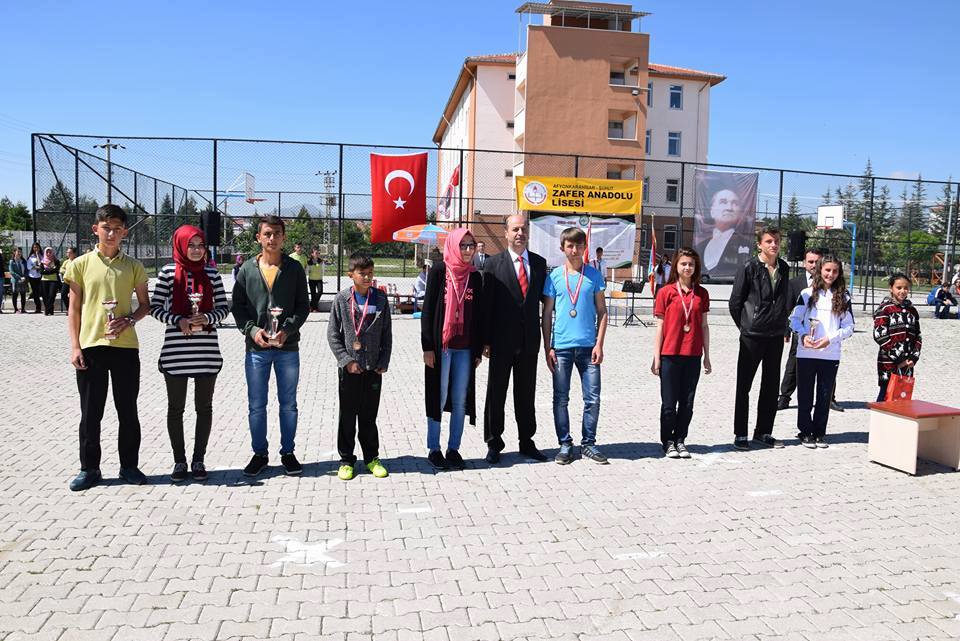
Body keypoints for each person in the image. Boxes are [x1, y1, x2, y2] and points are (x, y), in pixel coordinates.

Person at [63, 204, 150, 491]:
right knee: (91, 413)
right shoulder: (80, 264)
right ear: (95, 229)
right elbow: (74, 309)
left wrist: (130, 320)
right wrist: (75, 347)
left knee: (128, 410)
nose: (111, 234)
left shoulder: (134, 266)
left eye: (117, 229)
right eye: (106, 228)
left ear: (125, 232)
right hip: (91, 346)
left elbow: (145, 305)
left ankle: (129, 466)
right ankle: (89, 468)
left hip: (126, 347)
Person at [231, 215, 309, 478]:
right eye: (267, 234)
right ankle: (259, 454)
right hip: (257, 350)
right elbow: (238, 308)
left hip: (287, 348)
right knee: (256, 405)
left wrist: (287, 330)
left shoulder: (294, 269)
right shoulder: (247, 270)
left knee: (288, 404)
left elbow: (303, 306)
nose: (272, 238)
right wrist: (252, 331)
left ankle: (288, 453)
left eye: (277, 233)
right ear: (258, 238)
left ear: (284, 237)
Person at [150, 225, 230, 482]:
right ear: (180, 246)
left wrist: (207, 317)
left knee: (204, 408)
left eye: (200, 245)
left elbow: (223, 308)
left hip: (206, 352)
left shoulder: (212, 273)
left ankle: (198, 460)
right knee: (176, 409)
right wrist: (178, 321)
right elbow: (154, 308)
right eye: (191, 245)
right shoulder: (168, 272)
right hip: (176, 353)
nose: (196, 250)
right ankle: (179, 461)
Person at [481, 214, 549, 464]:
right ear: (506, 233)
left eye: (524, 229)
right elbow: (486, 306)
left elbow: (547, 303)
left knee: (526, 394)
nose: (520, 233)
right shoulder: (493, 264)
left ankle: (526, 441)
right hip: (500, 341)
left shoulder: (539, 264)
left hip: (529, 341)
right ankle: (494, 443)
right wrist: (485, 340)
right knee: (496, 393)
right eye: (515, 229)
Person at [542, 227, 609, 465]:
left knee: (592, 399)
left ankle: (588, 444)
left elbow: (602, 311)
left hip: (588, 348)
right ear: (562, 248)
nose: (574, 250)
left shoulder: (594, 276)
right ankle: (565, 444)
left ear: (584, 247)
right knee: (561, 399)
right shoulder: (554, 277)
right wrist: (547, 347)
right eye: (570, 245)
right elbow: (547, 314)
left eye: (579, 245)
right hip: (561, 348)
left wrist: (599, 344)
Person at [421, 228, 483, 471]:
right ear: (454, 246)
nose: (467, 250)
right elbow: (427, 311)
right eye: (463, 245)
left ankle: (453, 449)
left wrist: (477, 351)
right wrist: (427, 347)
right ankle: (434, 449)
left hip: (465, 349)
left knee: (459, 400)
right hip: (442, 348)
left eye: (471, 245)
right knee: (439, 396)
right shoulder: (439, 271)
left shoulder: (475, 277)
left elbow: (478, 317)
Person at [327, 253, 392, 480]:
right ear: (350, 275)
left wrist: (383, 361)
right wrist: (347, 361)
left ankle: (372, 458)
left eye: (370, 273)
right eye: (362, 273)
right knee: (347, 416)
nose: (367, 277)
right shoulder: (342, 299)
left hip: (373, 368)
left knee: (369, 416)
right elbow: (333, 335)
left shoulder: (380, 298)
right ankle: (346, 460)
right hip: (350, 369)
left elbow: (387, 334)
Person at [729, 226, 791, 450]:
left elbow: (783, 299)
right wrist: (746, 326)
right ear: (759, 244)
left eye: (776, 241)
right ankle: (741, 433)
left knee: (770, 386)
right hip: (752, 336)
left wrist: (783, 324)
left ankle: (763, 431)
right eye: (768, 241)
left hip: (775, 336)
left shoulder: (783, 267)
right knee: (744, 386)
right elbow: (735, 302)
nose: (773, 245)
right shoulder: (749, 267)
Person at [651, 248, 712, 458]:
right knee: (669, 404)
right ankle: (667, 441)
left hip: (693, 355)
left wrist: (707, 356)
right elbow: (660, 327)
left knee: (687, 403)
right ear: (676, 266)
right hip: (670, 354)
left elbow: (704, 326)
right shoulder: (665, 292)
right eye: (683, 263)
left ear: (696, 268)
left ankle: (680, 440)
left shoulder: (702, 293)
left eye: (691, 264)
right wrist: (656, 357)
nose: (687, 267)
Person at [789, 255, 855, 448]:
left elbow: (849, 327)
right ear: (820, 270)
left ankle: (819, 433)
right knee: (805, 395)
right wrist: (803, 336)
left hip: (830, 354)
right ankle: (805, 432)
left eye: (835, 271)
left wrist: (830, 339)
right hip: (806, 353)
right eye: (827, 270)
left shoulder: (844, 297)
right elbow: (794, 320)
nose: (830, 274)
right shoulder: (806, 293)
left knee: (824, 396)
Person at [778, 248, 824, 410]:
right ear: (804, 263)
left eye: (817, 262)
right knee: (793, 364)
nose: (814, 265)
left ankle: (829, 397)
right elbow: (787, 308)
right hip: (801, 331)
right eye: (810, 261)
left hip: (823, 331)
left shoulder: (829, 282)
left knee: (826, 364)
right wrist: (786, 330)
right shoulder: (795, 283)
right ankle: (784, 397)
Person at [873, 274, 922, 403]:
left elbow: (918, 335)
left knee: (902, 396)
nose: (902, 291)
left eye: (906, 288)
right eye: (899, 287)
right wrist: (899, 358)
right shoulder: (885, 309)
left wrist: (913, 357)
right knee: (886, 393)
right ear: (891, 288)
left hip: (908, 363)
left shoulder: (912, 311)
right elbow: (880, 335)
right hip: (888, 362)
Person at [695, 188, 753, 274]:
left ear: (740, 213)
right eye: (723, 202)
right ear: (712, 211)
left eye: (735, 203)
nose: (729, 208)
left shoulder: (747, 245)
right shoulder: (699, 247)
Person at [39, 247, 61, 315]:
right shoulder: (42, 262)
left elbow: (56, 270)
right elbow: (41, 272)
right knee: (45, 296)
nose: (48, 254)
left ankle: (47, 309)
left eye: (50, 252)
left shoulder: (56, 261)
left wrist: (47, 271)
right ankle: (49, 310)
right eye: (47, 252)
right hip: (44, 280)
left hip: (53, 280)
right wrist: (51, 270)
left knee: (52, 295)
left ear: (52, 253)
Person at [8, 247, 27, 313]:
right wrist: (19, 278)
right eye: (18, 251)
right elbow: (11, 272)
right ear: (14, 252)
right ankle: (16, 309)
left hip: (23, 280)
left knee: (23, 295)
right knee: (15, 295)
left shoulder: (23, 261)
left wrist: (24, 277)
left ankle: (23, 309)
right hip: (15, 280)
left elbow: (26, 270)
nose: (19, 253)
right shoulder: (12, 261)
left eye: (20, 252)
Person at [26, 242, 43, 313]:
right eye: (34, 247)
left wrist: (38, 256)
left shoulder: (42, 256)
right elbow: (29, 267)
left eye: (37, 247)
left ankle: (45, 307)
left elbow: (41, 265)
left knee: (40, 292)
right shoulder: (31, 257)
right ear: (32, 248)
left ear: (39, 248)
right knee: (35, 292)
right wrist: (37, 267)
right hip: (32, 277)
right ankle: (38, 308)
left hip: (40, 276)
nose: (36, 249)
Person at [59, 247, 77, 313]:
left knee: (75, 296)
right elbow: (61, 269)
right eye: (67, 252)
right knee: (63, 294)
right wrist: (67, 271)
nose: (68, 254)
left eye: (70, 252)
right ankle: (69, 308)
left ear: (74, 254)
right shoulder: (66, 262)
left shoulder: (77, 261)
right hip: (67, 281)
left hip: (75, 281)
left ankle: (75, 309)